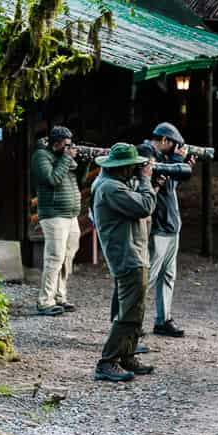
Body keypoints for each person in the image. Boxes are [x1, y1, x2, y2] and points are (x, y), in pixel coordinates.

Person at [92, 143, 157, 382]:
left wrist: (148, 183)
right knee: (128, 313)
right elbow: (145, 206)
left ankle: (126, 356)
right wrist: (146, 180)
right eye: (133, 166)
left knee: (135, 311)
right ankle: (107, 361)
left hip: (131, 254)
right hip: (127, 256)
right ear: (122, 167)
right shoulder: (110, 188)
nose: (136, 169)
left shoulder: (113, 184)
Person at [144, 122, 195, 338]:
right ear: (165, 140)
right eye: (174, 145)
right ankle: (130, 323)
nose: (176, 150)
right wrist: (176, 162)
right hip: (158, 227)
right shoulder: (146, 154)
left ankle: (163, 320)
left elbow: (169, 188)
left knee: (168, 276)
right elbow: (153, 186)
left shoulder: (166, 158)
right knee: (149, 277)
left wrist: (184, 166)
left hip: (171, 226)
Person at [31, 125, 85, 316]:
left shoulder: (64, 158)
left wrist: (80, 162)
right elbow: (52, 180)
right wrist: (67, 159)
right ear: (57, 143)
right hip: (53, 214)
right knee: (54, 258)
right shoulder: (41, 157)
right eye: (67, 144)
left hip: (70, 215)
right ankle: (45, 301)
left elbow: (77, 180)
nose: (70, 147)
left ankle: (60, 296)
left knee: (67, 257)